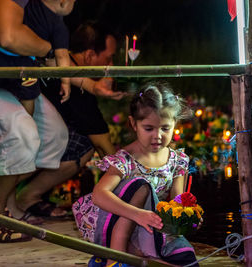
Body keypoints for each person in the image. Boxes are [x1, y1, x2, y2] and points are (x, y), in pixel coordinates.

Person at [7, 21, 126, 220]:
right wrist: (133, 183)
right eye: (109, 58)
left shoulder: (63, 66)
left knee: (66, 138)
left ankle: (19, 196)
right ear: (89, 55)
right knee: (83, 145)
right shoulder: (75, 84)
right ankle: (17, 195)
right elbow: (102, 144)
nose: (110, 66)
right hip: (22, 139)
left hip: (24, 136)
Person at [72, 81, 199, 267]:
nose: (157, 136)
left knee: (185, 256)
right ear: (134, 124)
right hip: (112, 221)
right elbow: (99, 195)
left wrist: (189, 215)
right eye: (149, 128)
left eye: (165, 128)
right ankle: (114, 259)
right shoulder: (125, 159)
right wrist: (137, 214)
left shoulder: (178, 160)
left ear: (175, 124)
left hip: (149, 224)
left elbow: (177, 200)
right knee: (141, 186)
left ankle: (144, 253)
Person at [0, 0, 68, 242]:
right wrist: (46, 48)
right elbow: (9, 36)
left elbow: (60, 63)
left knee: (54, 135)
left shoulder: (47, 14)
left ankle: (8, 202)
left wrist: (89, 84)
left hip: (18, 74)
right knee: (23, 133)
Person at [0, 0, 75, 116]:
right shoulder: (59, 26)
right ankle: (27, 118)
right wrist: (66, 82)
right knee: (28, 95)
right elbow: (62, 56)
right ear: (63, 2)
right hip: (25, 62)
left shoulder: (30, 5)